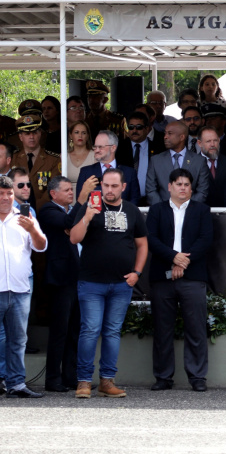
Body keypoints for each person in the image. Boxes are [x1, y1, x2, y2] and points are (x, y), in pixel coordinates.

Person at [69, 168, 148, 398]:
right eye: (106, 185)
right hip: (91, 282)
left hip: (122, 284)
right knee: (90, 330)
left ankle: (107, 381)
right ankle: (84, 382)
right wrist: (87, 216)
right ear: (100, 185)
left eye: (114, 186)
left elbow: (142, 245)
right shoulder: (89, 207)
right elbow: (74, 238)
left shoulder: (132, 211)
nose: (109, 190)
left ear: (123, 187)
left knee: (112, 332)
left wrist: (137, 273)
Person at [146, 168, 214, 392]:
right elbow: (152, 240)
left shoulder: (202, 210)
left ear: (191, 188)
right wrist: (173, 258)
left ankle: (197, 377)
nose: (182, 188)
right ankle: (163, 377)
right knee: (162, 329)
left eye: (186, 184)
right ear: (169, 187)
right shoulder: (156, 211)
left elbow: (206, 240)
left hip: (193, 277)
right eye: (178, 184)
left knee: (195, 328)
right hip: (162, 277)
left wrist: (183, 262)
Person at [0, 174, 47, 398]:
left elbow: (41, 246)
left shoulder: (24, 217)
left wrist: (33, 230)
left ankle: (16, 384)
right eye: (1, 194)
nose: (6, 198)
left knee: (18, 340)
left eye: (9, 194)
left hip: (19, 290)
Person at [38, 176, 80, 392]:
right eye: (66, 190)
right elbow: (67, 223)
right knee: (59, 331)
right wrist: (81, 202)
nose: (71, 193)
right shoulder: (47, 210)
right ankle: (53, 379)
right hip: (61, 281)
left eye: (71, 190)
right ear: (53, 193)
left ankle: (70, 377)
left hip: (78, 278)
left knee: (74, 331)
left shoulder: (68, 210)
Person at [146, 121, 210, 205]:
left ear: (182, 137)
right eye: (165, 133)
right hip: (163, 214)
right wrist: (164, 209)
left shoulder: (199, 161)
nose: (165, 137)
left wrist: (187, 208)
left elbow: (202, 191)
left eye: (170, 133)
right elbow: (151, 190)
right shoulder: (156, 160)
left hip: (190, 214)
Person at [75, 131, 141, 206]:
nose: (96, 150)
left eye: (100, 147)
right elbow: (80, 202)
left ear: (113, 148)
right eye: (95, 147)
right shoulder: (86, 172)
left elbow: (135, 200)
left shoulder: (130, 173)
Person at [12, 113, 62, 209]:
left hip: (45, 210)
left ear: (40, 134)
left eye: (35, 133)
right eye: (27, 133)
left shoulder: (53, 159)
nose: (31, 137)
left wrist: (36, 208)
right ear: (20, 137)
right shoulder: (13, 158)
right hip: (17, 210)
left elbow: (54, 187)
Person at [198, 127, 226, 208]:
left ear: (219, 141)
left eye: (215, 140)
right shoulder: (193, 164)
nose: (212, 144)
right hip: (201, 214)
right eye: (208, 141)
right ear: (199, 143)